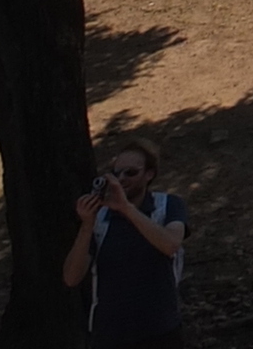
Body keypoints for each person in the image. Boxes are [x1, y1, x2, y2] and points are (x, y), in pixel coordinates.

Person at [63, 137, 187, 348]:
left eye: (131, 173)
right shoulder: (101, 219)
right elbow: (71, 277)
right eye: (116, 173)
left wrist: (126, 208)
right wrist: (86, 224)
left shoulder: (167, 205)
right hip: (110, 334)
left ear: (149, 174)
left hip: (160, 330)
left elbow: (170, 245)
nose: (122, 179)